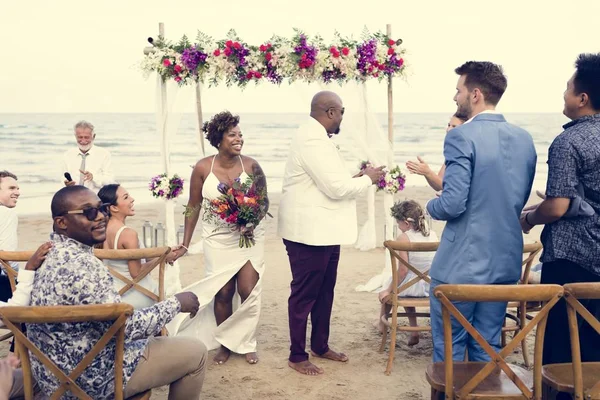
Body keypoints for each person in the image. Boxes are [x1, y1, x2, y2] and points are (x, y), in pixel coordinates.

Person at [27, 186, 207, 399]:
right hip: (92, 379)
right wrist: (177, 303)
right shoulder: (84, 265)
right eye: (89, 212)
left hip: (53, 377)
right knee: (196, 352)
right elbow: (126, 327)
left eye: (101, 209)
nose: (101, 216)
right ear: (62, 222)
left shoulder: (47, 255)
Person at [426, 61, 537, 362]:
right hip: (504, 262)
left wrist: (430, 205)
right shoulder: (524, 140)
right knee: (487, 345)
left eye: (458, 90)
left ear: (475, 94)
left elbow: (452, 204)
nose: (455, 97)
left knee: (448, 347)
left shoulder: (460, 136)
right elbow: (515, 198)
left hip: (461, 263)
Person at [278, 90, 385, 375]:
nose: (342, 118)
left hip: (324, 230)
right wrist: (368, 180)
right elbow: (336, 189)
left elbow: (330, 182)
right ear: (330, 113)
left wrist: (360, 178)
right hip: (307, 233)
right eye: (341, 112)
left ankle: (320, 345)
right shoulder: (312, 139)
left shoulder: (317, 137)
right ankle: (297, 355)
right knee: (304, 294)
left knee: (325, 291)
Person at [169, 111, 269, 365]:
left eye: (240, 134)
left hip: (248, 237)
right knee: (223, 292)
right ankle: (224, 343)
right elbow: (193, 207)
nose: (239, 139)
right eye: (232, 134)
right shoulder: (203, 167)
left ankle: (246, 342)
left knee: (248, 290)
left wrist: (251, 222)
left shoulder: (252, 165)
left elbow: (264, 201)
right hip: (216, 237)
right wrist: (185, 243)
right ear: (219, 138)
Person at [520, 53, 600, 366]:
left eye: (567, 90)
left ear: (582, 98)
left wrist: (528, 218)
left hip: (573, 255)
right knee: (594, 344)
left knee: (560, 347)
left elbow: (556, 207)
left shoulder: (570, 141)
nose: (563, 96)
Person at [98, 184, 179, 309]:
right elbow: (136, 273)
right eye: (126, 197)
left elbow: (133, 260)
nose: (132, 199)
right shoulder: (128, 234)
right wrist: (162, 258)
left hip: (114, 295)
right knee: (174, 297)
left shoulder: (100, 231)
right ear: (113, 207)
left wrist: (163, 254)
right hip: (137, 294)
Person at [377, 200, 438, 346]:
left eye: (398, 223)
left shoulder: (404, 238)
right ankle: (414, 330)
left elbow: (403, 271)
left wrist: (388, 290)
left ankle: (381, 324)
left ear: (406, 223)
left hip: (411, 286)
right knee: (405, 284)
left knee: (391, 286)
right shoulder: (433, 234)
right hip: (431, 286)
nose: (398, 226)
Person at [405, 112, 468, 191]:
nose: (448, 129)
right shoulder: (452, 150)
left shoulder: (465, 152)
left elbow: (448, 187)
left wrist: (427, 172)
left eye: (454, 126)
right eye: (448, 125)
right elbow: (439, 185)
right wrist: (426, 173)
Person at [62, 120, 114, 190]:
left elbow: (110, 181)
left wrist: (93, 177)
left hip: (95, 198)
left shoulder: (104, 154)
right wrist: (66, 184)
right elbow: (63, 178)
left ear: (94, 136)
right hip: (74, 197)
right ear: (75, 136)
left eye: (86, 137)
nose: (83, 141)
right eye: (80, 137)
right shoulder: (67, 155)